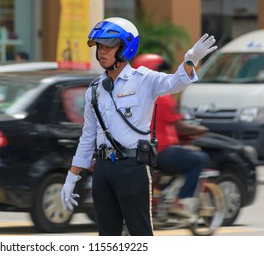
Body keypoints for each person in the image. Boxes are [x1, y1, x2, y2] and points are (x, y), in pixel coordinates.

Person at [60, 17, 217, 236]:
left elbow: (175, 83)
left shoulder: (143, 79)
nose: (102, 52)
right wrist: (71, 177)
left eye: (109, 46)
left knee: (140, 234)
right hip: (103, 169)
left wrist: (190, 61)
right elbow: (87, 137)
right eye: (99, 46)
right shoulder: (94, 89)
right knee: (107, 236)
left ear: (125, 48)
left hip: (133, 167)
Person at [133, 53, 211, 217]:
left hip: (143, 151)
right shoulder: (163, 96)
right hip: (162, 150)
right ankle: (181, 200)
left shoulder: (134, 95)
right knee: (199, 159)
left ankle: (166, 195)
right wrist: (200, 130)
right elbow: (179, 127)